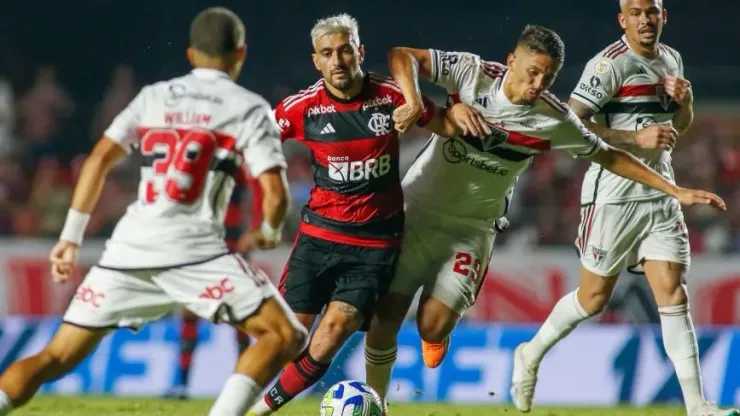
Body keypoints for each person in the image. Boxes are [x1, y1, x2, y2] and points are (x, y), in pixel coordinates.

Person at [362, 24, 726, 412]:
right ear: (511, 61)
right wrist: (416, 101)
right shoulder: (471, 74)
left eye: (548, 76)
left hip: (472, 229)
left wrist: (675, 190)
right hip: (418, 211)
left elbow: (609, 156)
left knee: (432, 325)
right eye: (532, 72)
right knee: (387, 314)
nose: (538, 83)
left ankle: (438, 334)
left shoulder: (554, 118)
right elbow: (402, 55)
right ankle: (377, 403)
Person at [0, 7, 308, 416]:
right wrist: (269, 230)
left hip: (128, 249)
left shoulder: (154, 97)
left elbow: (98, 160)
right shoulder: (248, 107)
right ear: (240, 54)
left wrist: (69, 239)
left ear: (191, 54)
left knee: (53, 358)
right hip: (195, 250)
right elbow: (274, 190)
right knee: (285, 335)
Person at [510, 2, 739, 416]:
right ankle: (530, 352)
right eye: (635, 12)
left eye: (651, 11)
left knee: (673, 295)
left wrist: (684, 103)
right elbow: (568, 126)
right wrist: (634, 137)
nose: (644, 19)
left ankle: (697, 406)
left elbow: (676, 128)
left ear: (663, 16)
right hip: (612, 195)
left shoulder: (672, 59)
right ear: (623, 20)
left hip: (661, 192)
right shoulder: (607, 66)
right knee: (594, 298)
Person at [246, 13, 463, 416]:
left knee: (331, 334)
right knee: (285, 338)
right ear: (316, 61)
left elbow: (445, 125)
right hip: (318, 238)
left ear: (360, 52)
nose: (338, 60)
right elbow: (254, 140)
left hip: (374, 245)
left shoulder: (393, 95)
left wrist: (453, 117)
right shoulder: (303, 107)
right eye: (327, 53)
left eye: (345, 50)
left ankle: (259, 412)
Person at [167, 167, 261, 400]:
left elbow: (258, 189)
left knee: (240, 317)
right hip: (201, 246)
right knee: (190, 312)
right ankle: (182, 385)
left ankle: (245, 386)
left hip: (231, 247)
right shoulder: (199, 159)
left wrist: (253, 229)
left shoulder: (237, 159)